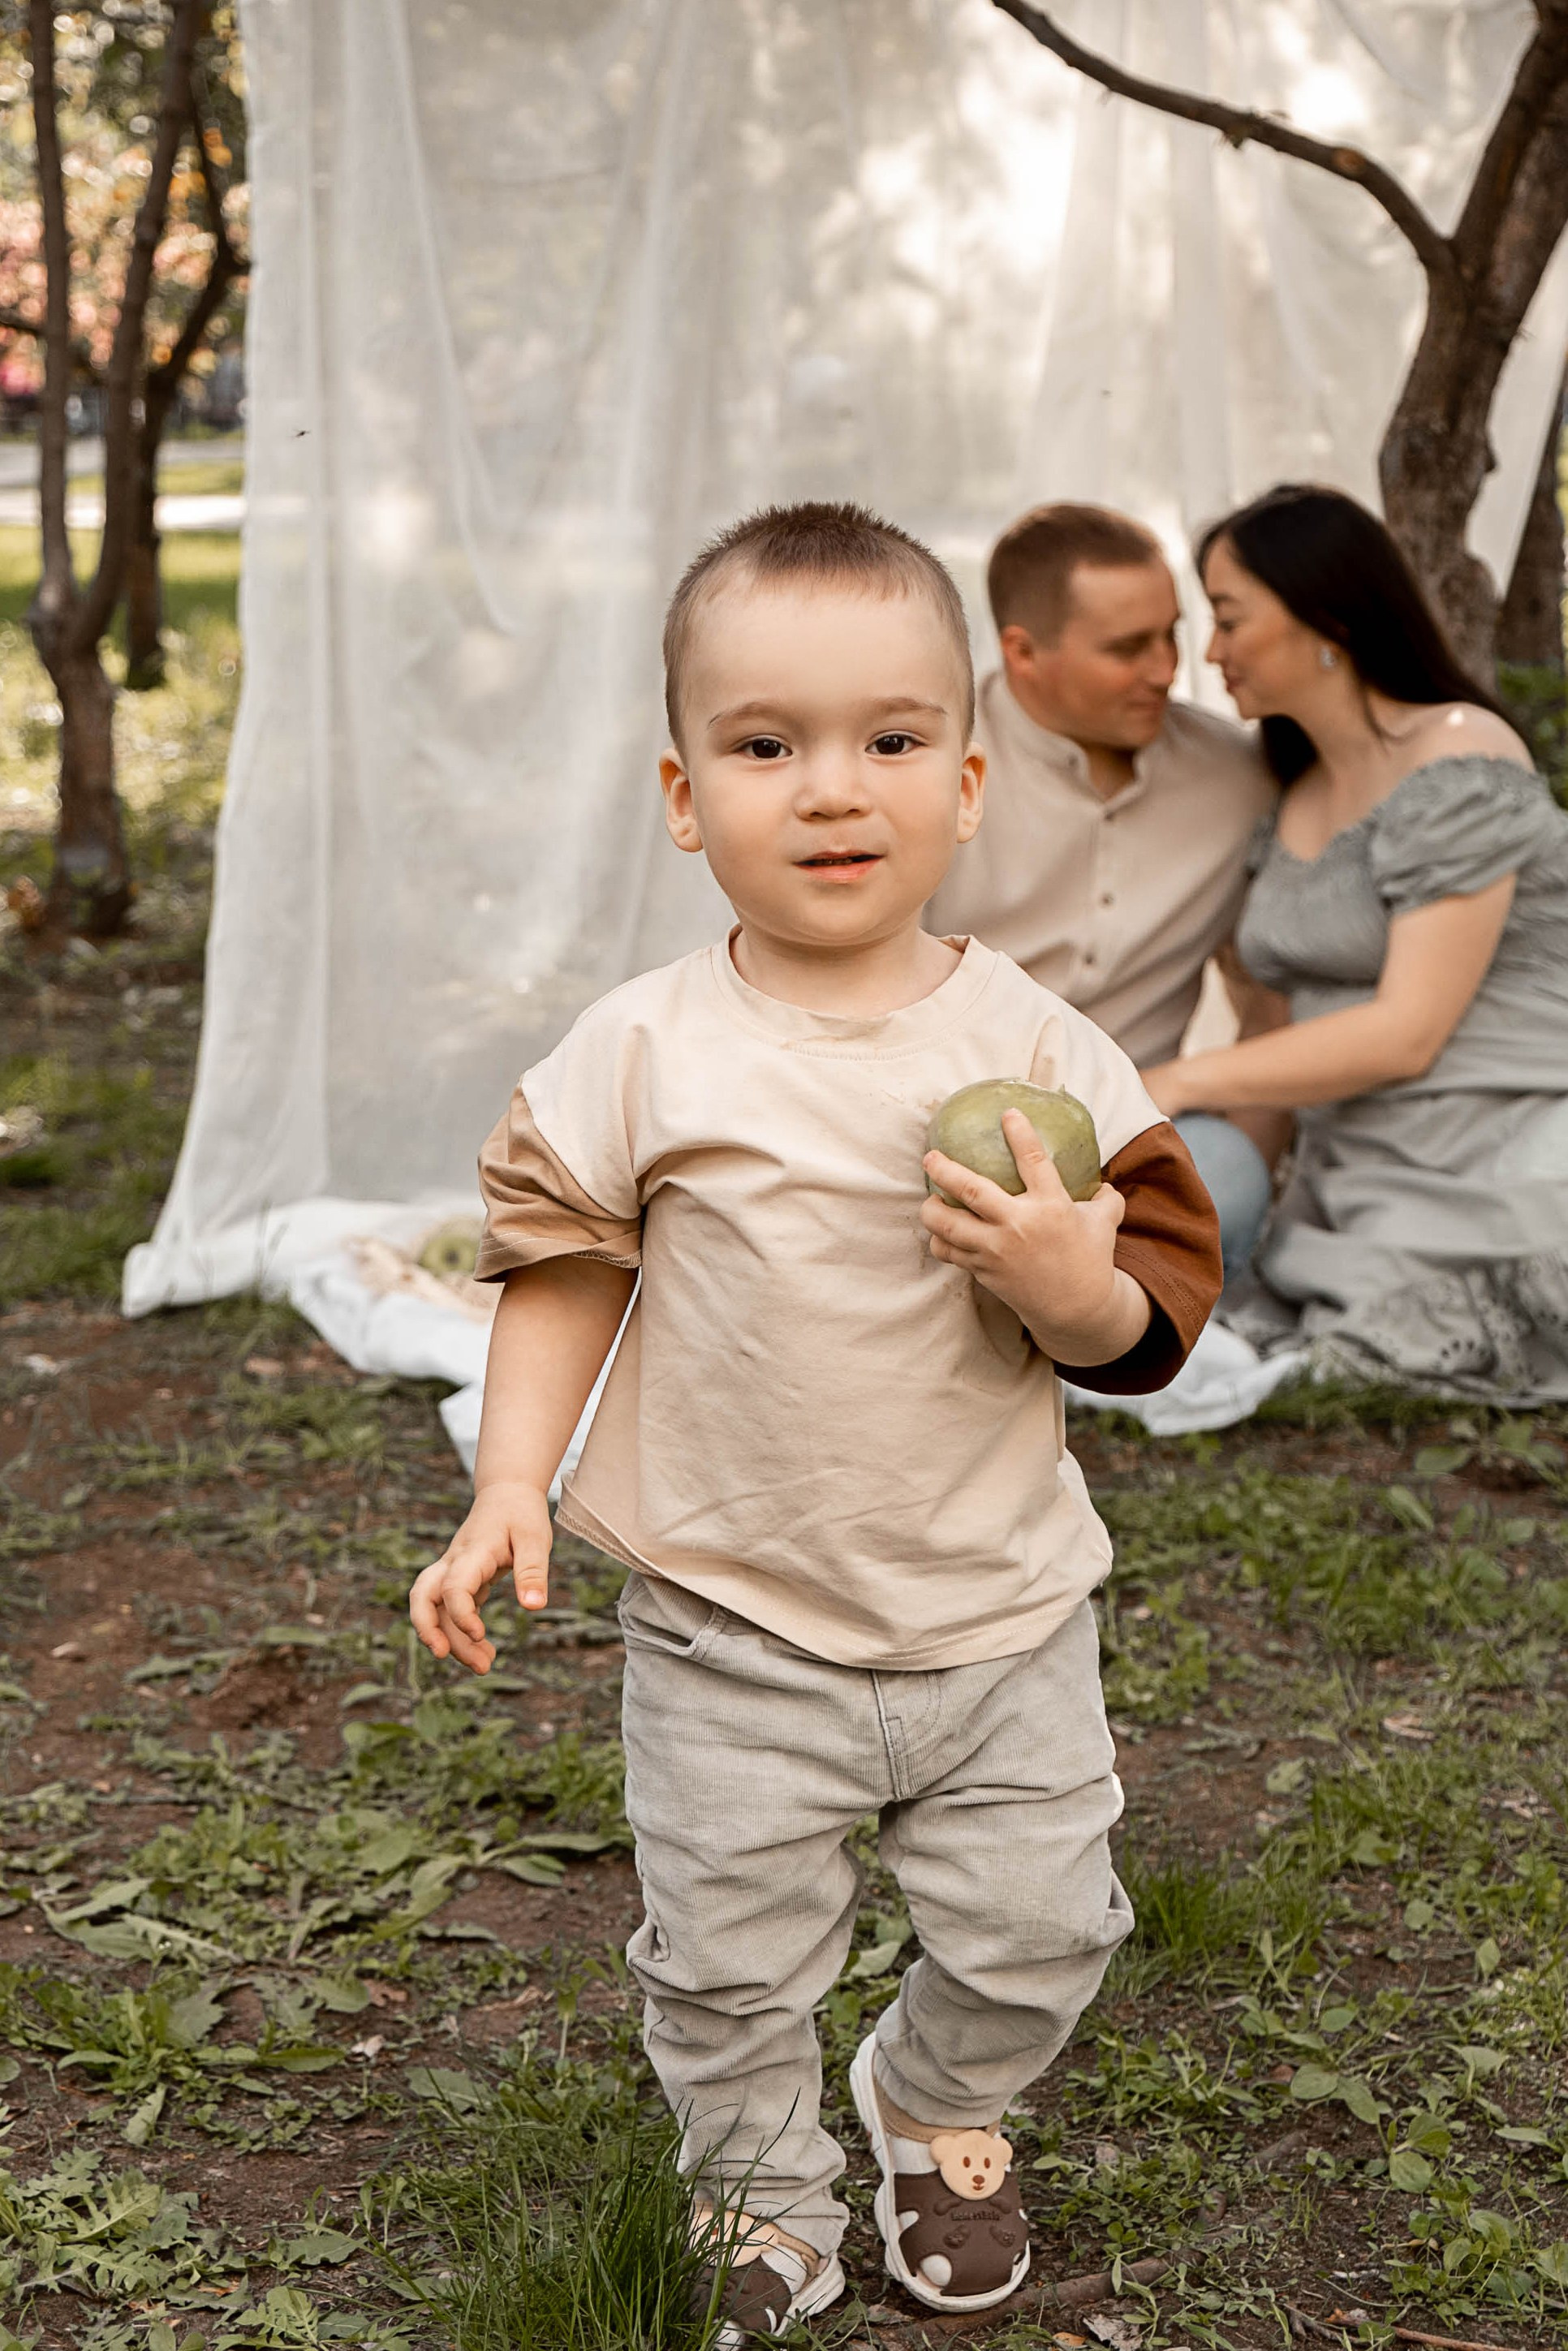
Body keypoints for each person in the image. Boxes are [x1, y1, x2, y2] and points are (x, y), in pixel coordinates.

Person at [410, 502, 1221, 2336]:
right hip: (731, 1605)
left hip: (1001, 1604)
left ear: (969, 777)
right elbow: (562, 1266)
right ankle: (762, 2192)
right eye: (770, 745)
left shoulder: (1036, 1049)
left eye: (890, 738)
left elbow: (1146, 1317)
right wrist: (509, 1480)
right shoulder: (643, 1048)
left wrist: (1058, 1273)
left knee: (1045, 1923)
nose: (834, 788)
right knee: (729, 1953)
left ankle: (940, 2096)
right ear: (689, 795)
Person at [1142, 481, 1568, 1399]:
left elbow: (1405, 1031)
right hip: (1357, 1157)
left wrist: (1175, 1082)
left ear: (1325, 613)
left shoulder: (1461, 753)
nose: (1210, 654)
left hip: (1500, 1127)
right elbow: (1273, 1041)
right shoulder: (1287, 795)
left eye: (1228, 619)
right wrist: (1211, 1188)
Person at [925, 502, 1280, 1282]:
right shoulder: (929, 764)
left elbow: (1266, 985)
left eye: (1171, 635)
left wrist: (1256, 1134)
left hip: (1135, 1140)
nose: (1167, 670)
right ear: (1023, 654)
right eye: (1128, 648)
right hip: (939, 1138)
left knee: (1227, 1176)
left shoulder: (1237, 776)